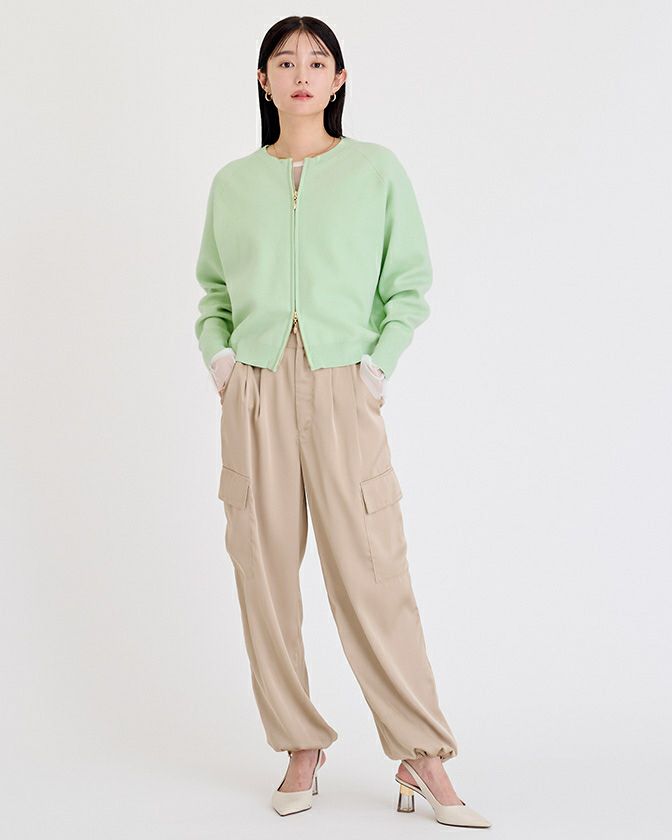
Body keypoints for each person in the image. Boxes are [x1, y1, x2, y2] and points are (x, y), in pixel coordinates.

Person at [194, 15, 491, 828]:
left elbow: (409, 285)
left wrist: (375, 367)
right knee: (263, 575)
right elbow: (213, 294)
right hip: (255, 389)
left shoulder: (374, 170)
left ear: (339, 79)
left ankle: (421, 752)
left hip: (342, 387)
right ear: (263, 80)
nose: (302, 74)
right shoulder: (233, 183)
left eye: (317, 61)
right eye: (285, 61)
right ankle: (300, 745)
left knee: (372, 570)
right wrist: (222, 363)